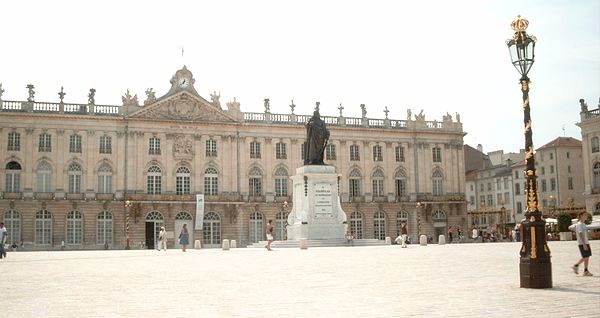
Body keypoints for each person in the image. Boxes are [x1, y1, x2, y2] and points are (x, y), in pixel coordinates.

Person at [572, 212, 593, 276]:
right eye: (585, 215)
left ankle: (585, 271)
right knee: (585, 256)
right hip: (582, 243)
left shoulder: (583, 224)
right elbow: (580, 234)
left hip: (586, 242)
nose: (586, 216)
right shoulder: (579, 224)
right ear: (581, 216)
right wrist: (584, 244)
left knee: (587, 256)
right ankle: (576, 265)